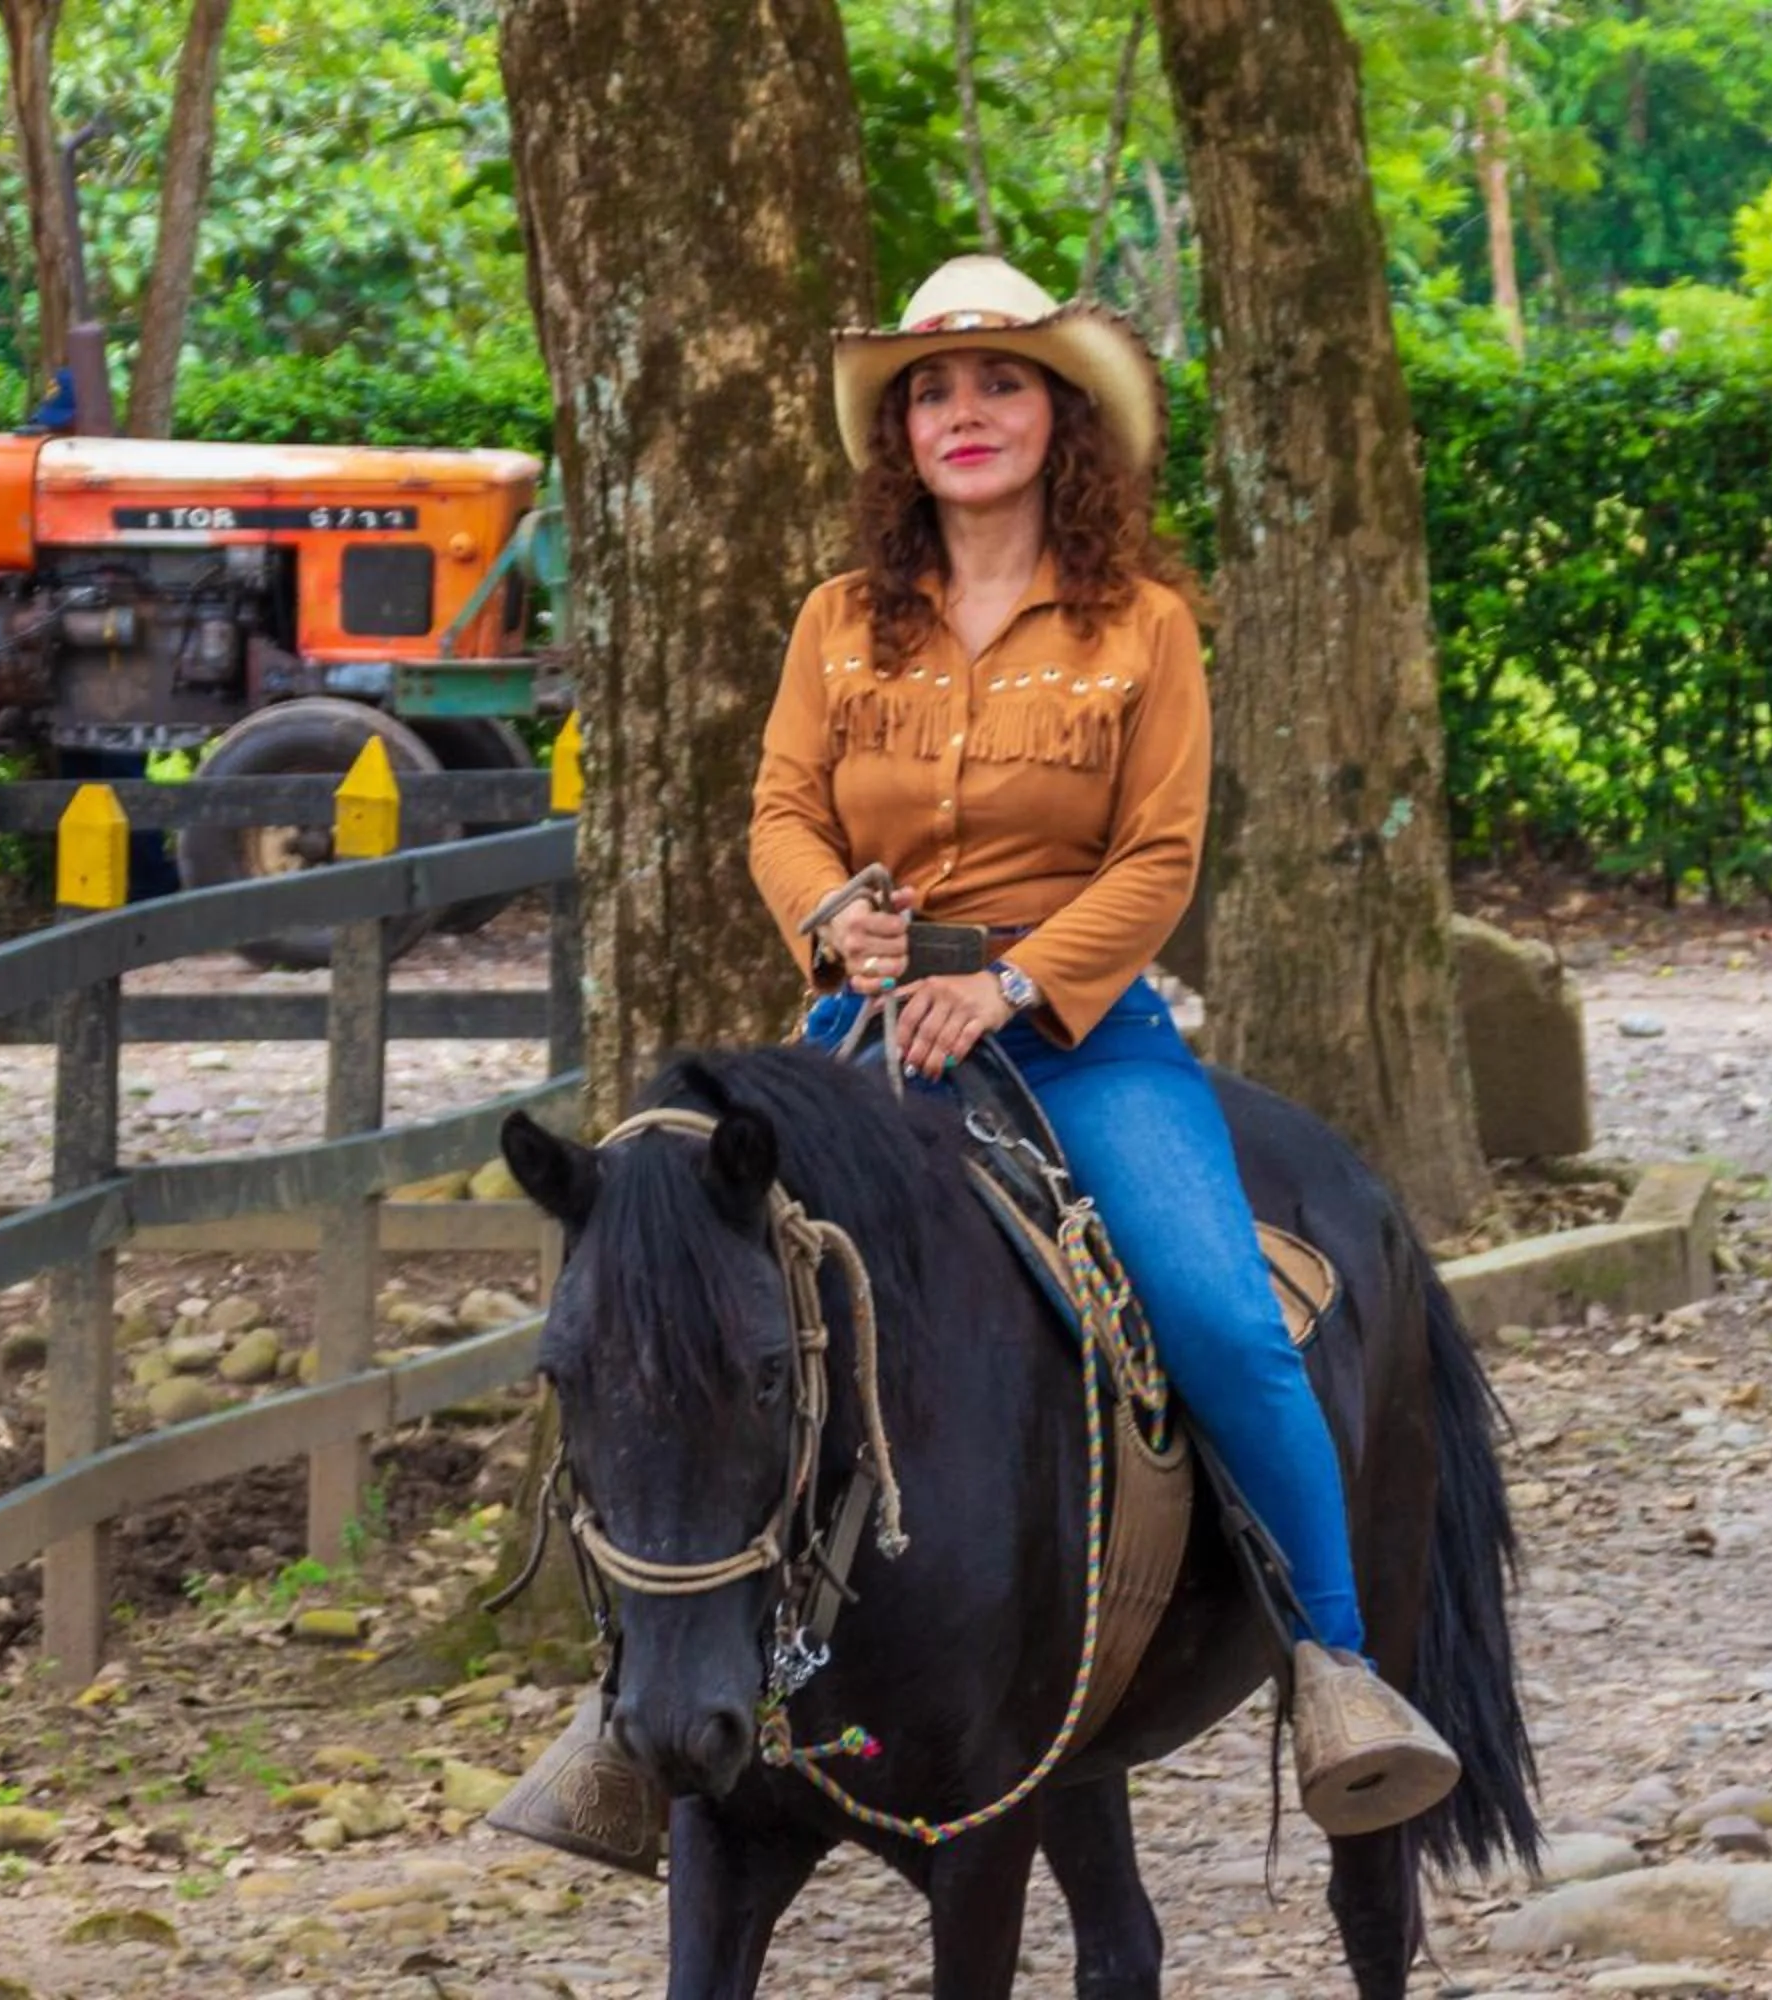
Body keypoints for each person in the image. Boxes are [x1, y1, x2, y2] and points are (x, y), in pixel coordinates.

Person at [493, 258, 1459, 1873]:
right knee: (674, 1293)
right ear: (902, 435)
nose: (964, 414)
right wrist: (836, 927)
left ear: (1059, 417)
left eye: (999, 384)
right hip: (861, 1031)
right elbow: (782, 814)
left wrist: (1010, 984)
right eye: (933, 393)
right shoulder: (838, 621)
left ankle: (1332, 1666)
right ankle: (636, 1683)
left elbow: (1160, 857)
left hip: (1083, 1034)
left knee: (1221, 1313)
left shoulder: (1143, 626)